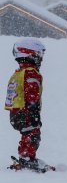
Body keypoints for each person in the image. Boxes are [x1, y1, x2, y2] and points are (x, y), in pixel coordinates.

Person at [5, 38, 51, 172]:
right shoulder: (31, 72)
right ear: (30, 54)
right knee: (33, 134)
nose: (41, 58)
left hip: (16, 111)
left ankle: (26, 156)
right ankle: (27, 158)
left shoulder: (19, 72)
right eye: (39, 54)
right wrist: (33, 111)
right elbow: (31, 93)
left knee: (27, 134)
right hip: (26, 111)